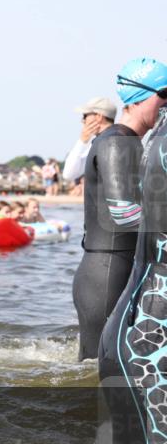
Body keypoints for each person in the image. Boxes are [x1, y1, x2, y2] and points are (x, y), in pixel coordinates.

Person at [96, 57, 167, 444]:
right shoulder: (125, 142)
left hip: (136, 322)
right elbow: (124, 214)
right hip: (143, 336)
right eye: (163, 95)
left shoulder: (147, 141)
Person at [72, 91, 147, 361]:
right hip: (105, 274)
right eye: (163, 97)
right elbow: (125, 212)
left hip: (117, 266)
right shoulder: (115, 142)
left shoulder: (130, 142)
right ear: (139, 98)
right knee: (95, 370)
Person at [63, 98, 117, 197]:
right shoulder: (101, 141)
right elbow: (69, 174)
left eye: (85, 116)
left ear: (99, 117)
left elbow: (68, 174)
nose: (83, 120)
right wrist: (82, 141)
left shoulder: (107, 142)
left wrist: (82, 142)